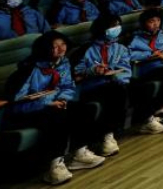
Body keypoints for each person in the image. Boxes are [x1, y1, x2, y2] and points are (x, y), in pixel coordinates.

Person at [6, 31, 106, 184]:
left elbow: (67, 86)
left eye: (63, 44)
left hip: (53, 104)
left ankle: (79, 153)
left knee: (83, 109)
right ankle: (54, 165)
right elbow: (18, 100)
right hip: (27, 110)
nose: (61, 49)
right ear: (45, 49)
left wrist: (62, 99)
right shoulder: (29, 69)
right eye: (55, 46)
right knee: (56, 117)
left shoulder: (63, 63)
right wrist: (47, 102)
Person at [73, 14, 131, 152]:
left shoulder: (120, 48)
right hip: (91, 86)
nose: (116, 28)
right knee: (114, 92)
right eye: (112, 26)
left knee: (119, 89)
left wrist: (115, 75)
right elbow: (77, 71)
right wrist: (93, 70)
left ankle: (109, 134)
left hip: (113, 83)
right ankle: (106, 135)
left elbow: (125, 69)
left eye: (118, 25)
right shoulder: (86, 49)